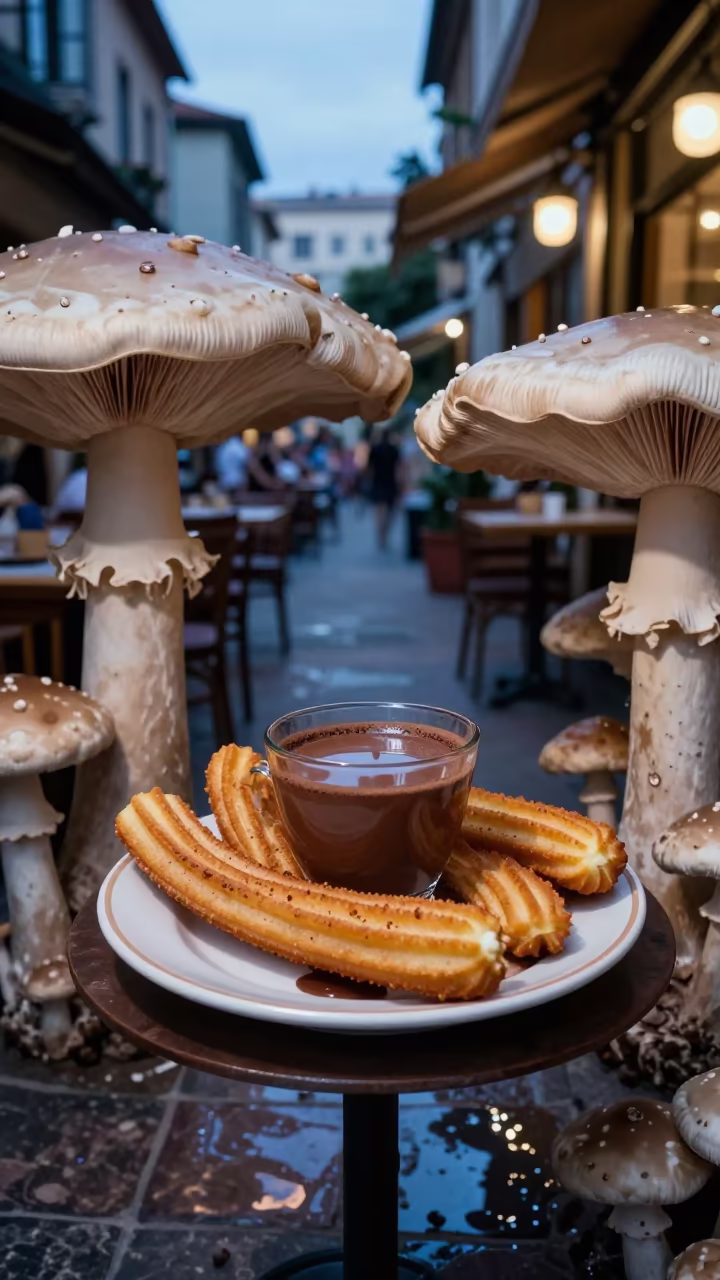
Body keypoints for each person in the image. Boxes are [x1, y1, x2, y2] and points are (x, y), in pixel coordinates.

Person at [366, 428, 402, 549]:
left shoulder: (374, 450)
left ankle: (380, 535)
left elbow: (369, 469)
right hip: (390, 483)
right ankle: (385, 534)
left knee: (379, 511)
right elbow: (399, 469)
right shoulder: (394, 450)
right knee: (390, 512)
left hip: (377, 482)